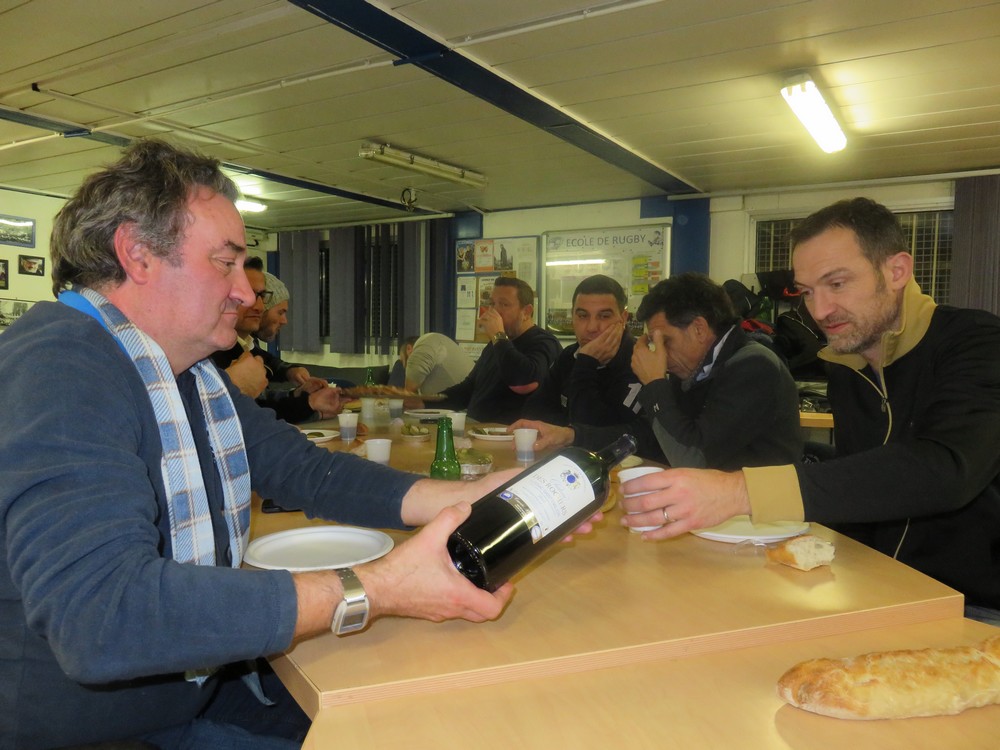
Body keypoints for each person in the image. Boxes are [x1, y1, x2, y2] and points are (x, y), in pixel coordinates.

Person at [0, 139, 603, 749]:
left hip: (192, 686)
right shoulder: (59, 368)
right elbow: (102, 617)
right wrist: (377, 588)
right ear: (137, 254)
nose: (246, 293)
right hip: (98, 731)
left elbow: (303, 470)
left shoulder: (186, 373)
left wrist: (466, 497)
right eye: (225, 263)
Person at [621, 198, 1000, 625]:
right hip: (877, 585)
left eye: (836, 283)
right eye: (807, 292)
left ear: (897, 271)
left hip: (976, 606)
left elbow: (944, 470)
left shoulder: (977, 341)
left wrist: (740, 492)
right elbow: (863, 487)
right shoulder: (846, 364)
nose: (819, 311)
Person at [515, 273, 802, 470]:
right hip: (717, 508)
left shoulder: (753, 366)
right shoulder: (695, 367)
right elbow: (649, 437)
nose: (659, 353)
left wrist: (654, 382)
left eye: (664, 341)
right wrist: (571, 436)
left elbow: (692, 457)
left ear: (699, 329)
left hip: (760, 520)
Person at [211, 259, 338, 423]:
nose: (258, 306)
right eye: (246, 293)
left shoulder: (244, 345)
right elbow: (250, 416)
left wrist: (297, 393)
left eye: (262, 296)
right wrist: (308, 404)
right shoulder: (209, 353)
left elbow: (261, 403)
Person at [522, 274, 641, 427]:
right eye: (583, 316)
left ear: (623, 318)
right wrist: (568, 424)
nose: (592, 327)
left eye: (604, 316)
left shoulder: (639, 363)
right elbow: (531, 413)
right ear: (572, 316)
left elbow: (597, 432)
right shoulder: (569, 355)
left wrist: (586, 363)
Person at [439, 277, 561, 423]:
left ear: (526, 312)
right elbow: (469, 389)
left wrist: (498, 335)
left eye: (504, 304)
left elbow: (524, 380)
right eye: (492, 304)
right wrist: (426, 401)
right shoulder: (497, 343)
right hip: (476, 427)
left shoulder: (544, 342)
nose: (494, 311)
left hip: (512, 432)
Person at [400, 331, 475, 394]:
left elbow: (409, 395)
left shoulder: (424, 344)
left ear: (409, 349)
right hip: (467, 399)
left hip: (464, 402)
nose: (404, 366)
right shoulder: (436, 343)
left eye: (402, 360)